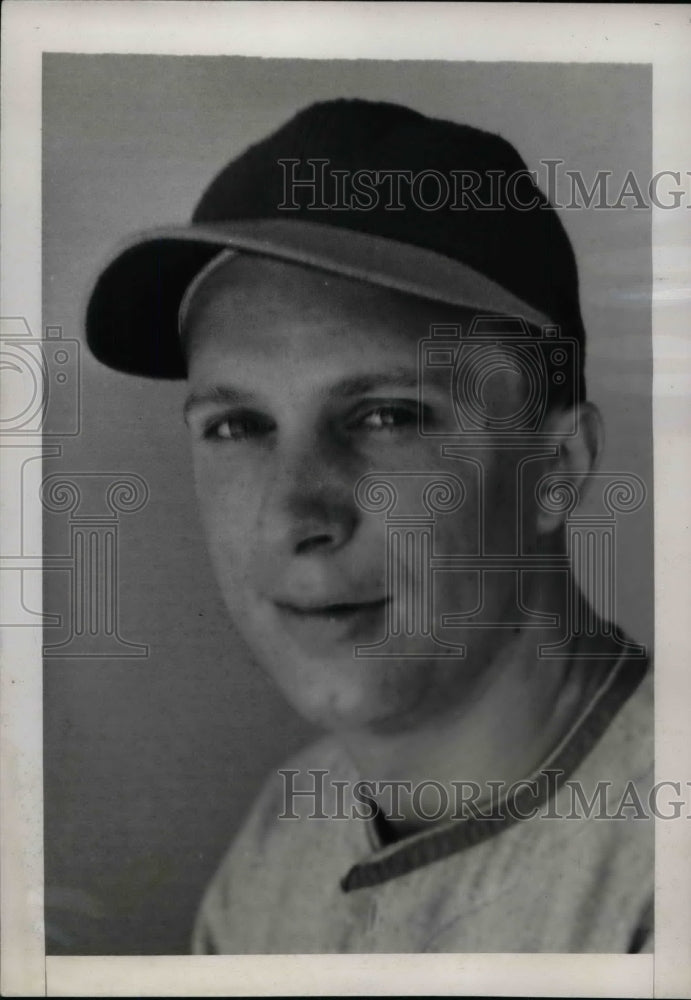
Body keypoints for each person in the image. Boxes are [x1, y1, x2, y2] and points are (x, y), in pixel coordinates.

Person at [85, 99, 653, 953]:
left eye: (385, 416)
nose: (294, 514)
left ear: (553, 470)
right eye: (238, 426)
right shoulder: (286, 827)